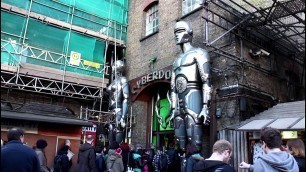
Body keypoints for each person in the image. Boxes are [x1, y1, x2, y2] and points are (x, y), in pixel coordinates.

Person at [168, 20, 212, 151]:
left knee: (195, 142)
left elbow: (206, 81)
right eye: (175, 32)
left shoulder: (199, 53)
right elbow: (173, 89)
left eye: (180, 31)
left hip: (193, 97)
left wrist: (205, 107)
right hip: (179, 103)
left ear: (189, 33)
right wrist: (173, 109)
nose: (176, 35)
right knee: (179, 143)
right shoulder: (176, 61)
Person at [105, 59, 130, 144]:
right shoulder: (114, 80)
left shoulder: (123, 80)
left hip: (118, 108)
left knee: (118, 129)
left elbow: (126, 98)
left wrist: (123, 116)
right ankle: (110, 147)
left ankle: (117, 149)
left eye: (115, 65)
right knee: (110, 129)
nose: (113, 67)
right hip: (111, 109)